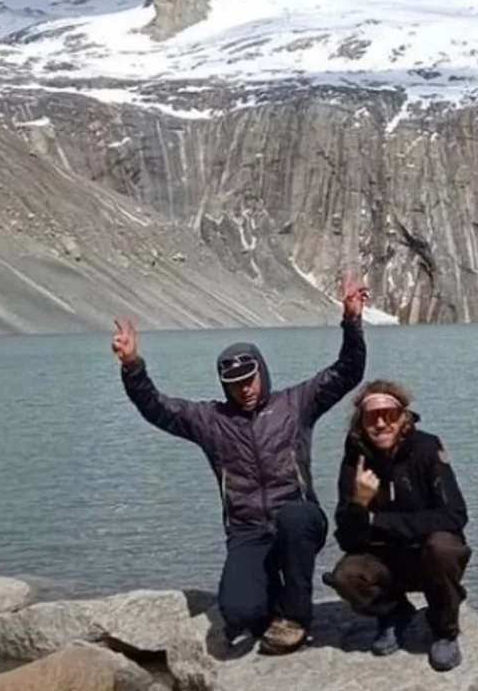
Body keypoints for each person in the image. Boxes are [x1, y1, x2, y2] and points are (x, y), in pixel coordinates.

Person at [111, 276, 368, 655]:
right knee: (239, 612)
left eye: (249, 379)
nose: (244, 388)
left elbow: (348, 370)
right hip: (248, 531)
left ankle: (297, 617)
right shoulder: (210, 421)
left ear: (261, 372)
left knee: (295, 519)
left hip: (298, 520)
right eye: (234, 383)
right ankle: (269, 594)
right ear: (223, 384)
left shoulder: (296, 404)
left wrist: (352, 321)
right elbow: (157, 407)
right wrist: (132, 366)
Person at [323, 380, 470, 671]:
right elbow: (348, 540)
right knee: (345, 575)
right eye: (372, 417)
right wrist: (358, 505)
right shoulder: (356, 458)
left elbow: (454, 515)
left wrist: (379, 521)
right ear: (361, 422)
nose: (381, 424)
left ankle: (444, 629)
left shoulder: (426, 448)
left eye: (389, 415)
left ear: (403, 417)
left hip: (428, 557)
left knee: (443, 547)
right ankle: (394, 613)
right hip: (384, 561)